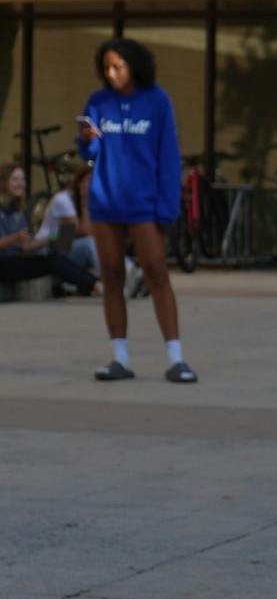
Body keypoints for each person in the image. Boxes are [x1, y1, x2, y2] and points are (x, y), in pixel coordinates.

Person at [82, 37, 197, 383]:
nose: (112, 73)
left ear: (135, 65)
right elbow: (89, 154)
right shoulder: (98, 101)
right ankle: (119, 357)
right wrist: (86, 140)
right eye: (107, 67)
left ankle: (176, 358)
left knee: (157, 273)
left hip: (144, 205)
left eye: (118, 66)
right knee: (112, 277)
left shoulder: (157, 101)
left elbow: (168, 157)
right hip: (106, 203)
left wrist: (166, 207)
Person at [0, 162, 99, 297]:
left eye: (23, 179)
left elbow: (25, 246)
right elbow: (81, 230)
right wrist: (15, 238)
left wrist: (53, 236)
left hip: (16, 258)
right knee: (67, 253)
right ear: (3, 182)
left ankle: (97, 284)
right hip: (3, 261)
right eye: (15, 179)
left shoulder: (18, 211)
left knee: (52, 258)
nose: (21, 183)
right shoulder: (63, 199)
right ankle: (99, 284)